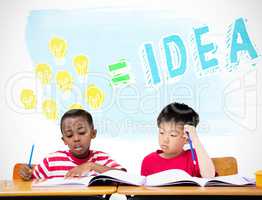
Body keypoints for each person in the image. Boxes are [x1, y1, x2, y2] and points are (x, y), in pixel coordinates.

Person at [19, 109, 125, 180]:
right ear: (64, 140)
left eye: (82, 133)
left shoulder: (101, 159)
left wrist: (90, 165)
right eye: (69, 135)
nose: (76, 139)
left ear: (93, 133)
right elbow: (31, 181)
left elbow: (124, 176)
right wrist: (26, 174)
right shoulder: (51, 161)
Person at [141, 102, 215, 178]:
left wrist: (195, 138)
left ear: (186, 139)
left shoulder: (195, 157)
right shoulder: (149, 161)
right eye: (161, 132)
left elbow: (209, 176)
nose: (165, 140)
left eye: (172, 135)